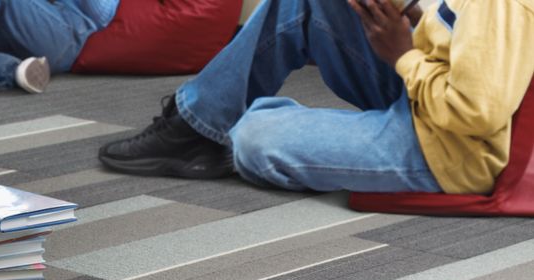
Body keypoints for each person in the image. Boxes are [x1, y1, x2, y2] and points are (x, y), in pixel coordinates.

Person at [98, 0, 534, 195]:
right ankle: (195, 124)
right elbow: (460, 38)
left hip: (455, 149)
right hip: (427, 90)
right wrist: (414, 22)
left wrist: (403, 55)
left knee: (254, 138)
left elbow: (477, 113)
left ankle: (233, 132)